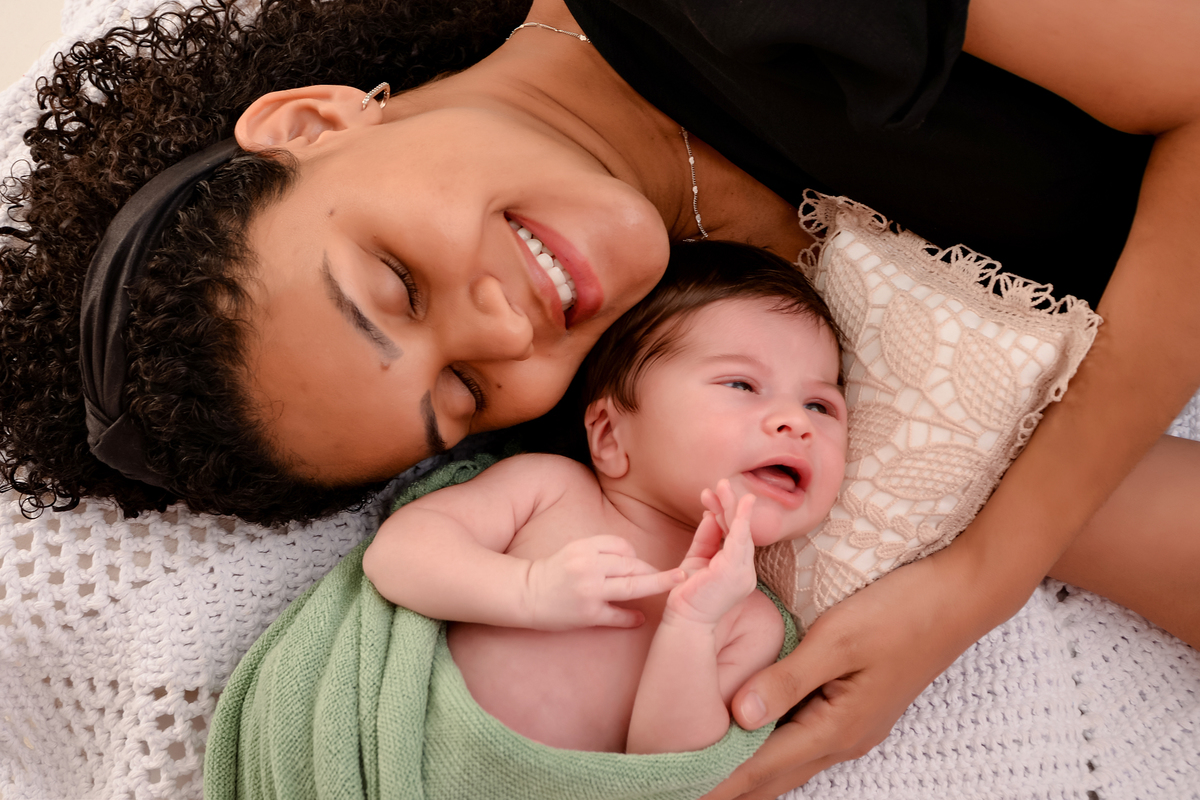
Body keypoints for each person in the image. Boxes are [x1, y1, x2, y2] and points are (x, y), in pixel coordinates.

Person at [1, 0, 1197, 795]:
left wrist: (980, 580)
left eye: (398, 283)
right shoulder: (689, 375)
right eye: (464, 392)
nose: (506, 330)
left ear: (314, 120)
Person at [362, 240, 845, 755]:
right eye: (743, 385)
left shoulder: (749, 619)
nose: (796, 422)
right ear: (612, 436)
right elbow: (394, 557)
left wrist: (692, 628)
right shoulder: (547, 490)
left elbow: (668, 769)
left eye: (821, 404)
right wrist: (529, 588)